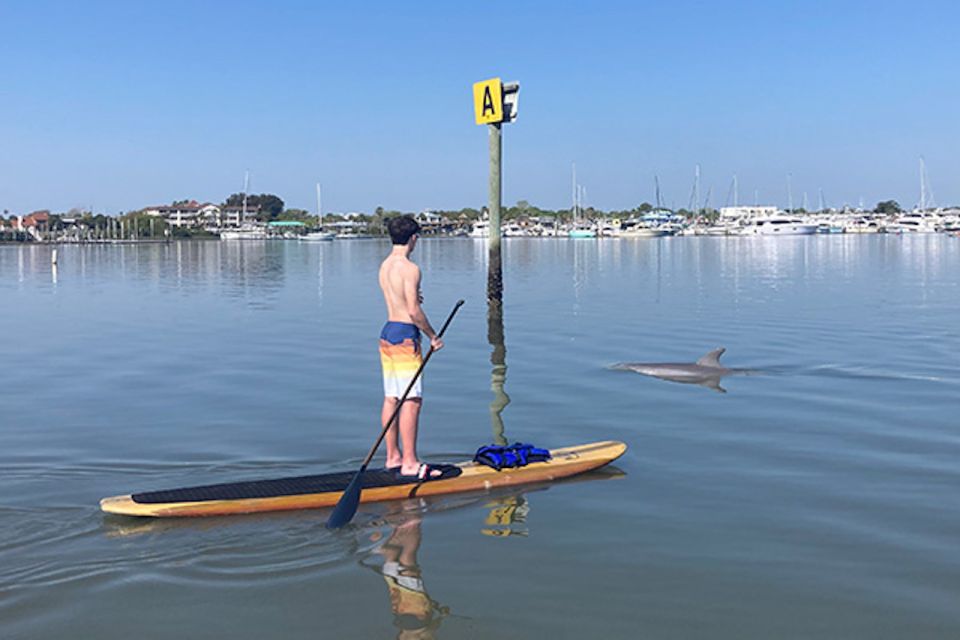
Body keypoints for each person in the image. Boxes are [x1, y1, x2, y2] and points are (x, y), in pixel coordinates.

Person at [379, 215, 443, 479]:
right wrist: (433, 336)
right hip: (406, 334)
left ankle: (392, 456)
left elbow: (402, 300)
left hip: (387, 332)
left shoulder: (384, 266)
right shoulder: (410, 268)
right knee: (412, 400)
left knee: (392, 397)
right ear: (413, 238)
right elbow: (414, 312)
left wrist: (413, 299)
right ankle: (409, 462)